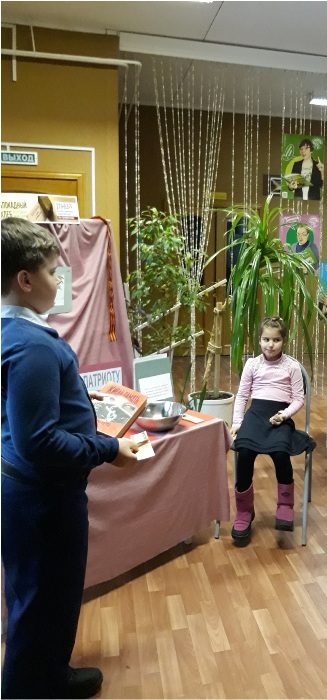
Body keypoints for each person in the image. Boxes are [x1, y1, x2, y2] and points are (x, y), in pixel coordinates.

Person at [1, 217, 139, 699]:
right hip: (44, 499)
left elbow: (25, 408)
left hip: (26, 493)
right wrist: (109, 448)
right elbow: (38, 441)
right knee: (42, 601)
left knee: (42, 598)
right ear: (25, 279)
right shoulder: (33, 347)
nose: (60, 281)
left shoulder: (13, 332)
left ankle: (50, 676)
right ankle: (27, 688)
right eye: (52, 271)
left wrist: (78, 397)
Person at [229, 317, 315, 545]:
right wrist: (237, 422)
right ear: (259, 340)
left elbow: (298, 399)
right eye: (266, 339)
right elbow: (242, 395)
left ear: (284, 341)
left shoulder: (292, 367)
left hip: (280, 415)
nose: (270, 344)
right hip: (255, 414)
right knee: (244, 452)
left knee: (280, 452)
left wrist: (284, 415)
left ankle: (285, 504)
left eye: (276, 340)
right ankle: (244, 510)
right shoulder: (252, 364)